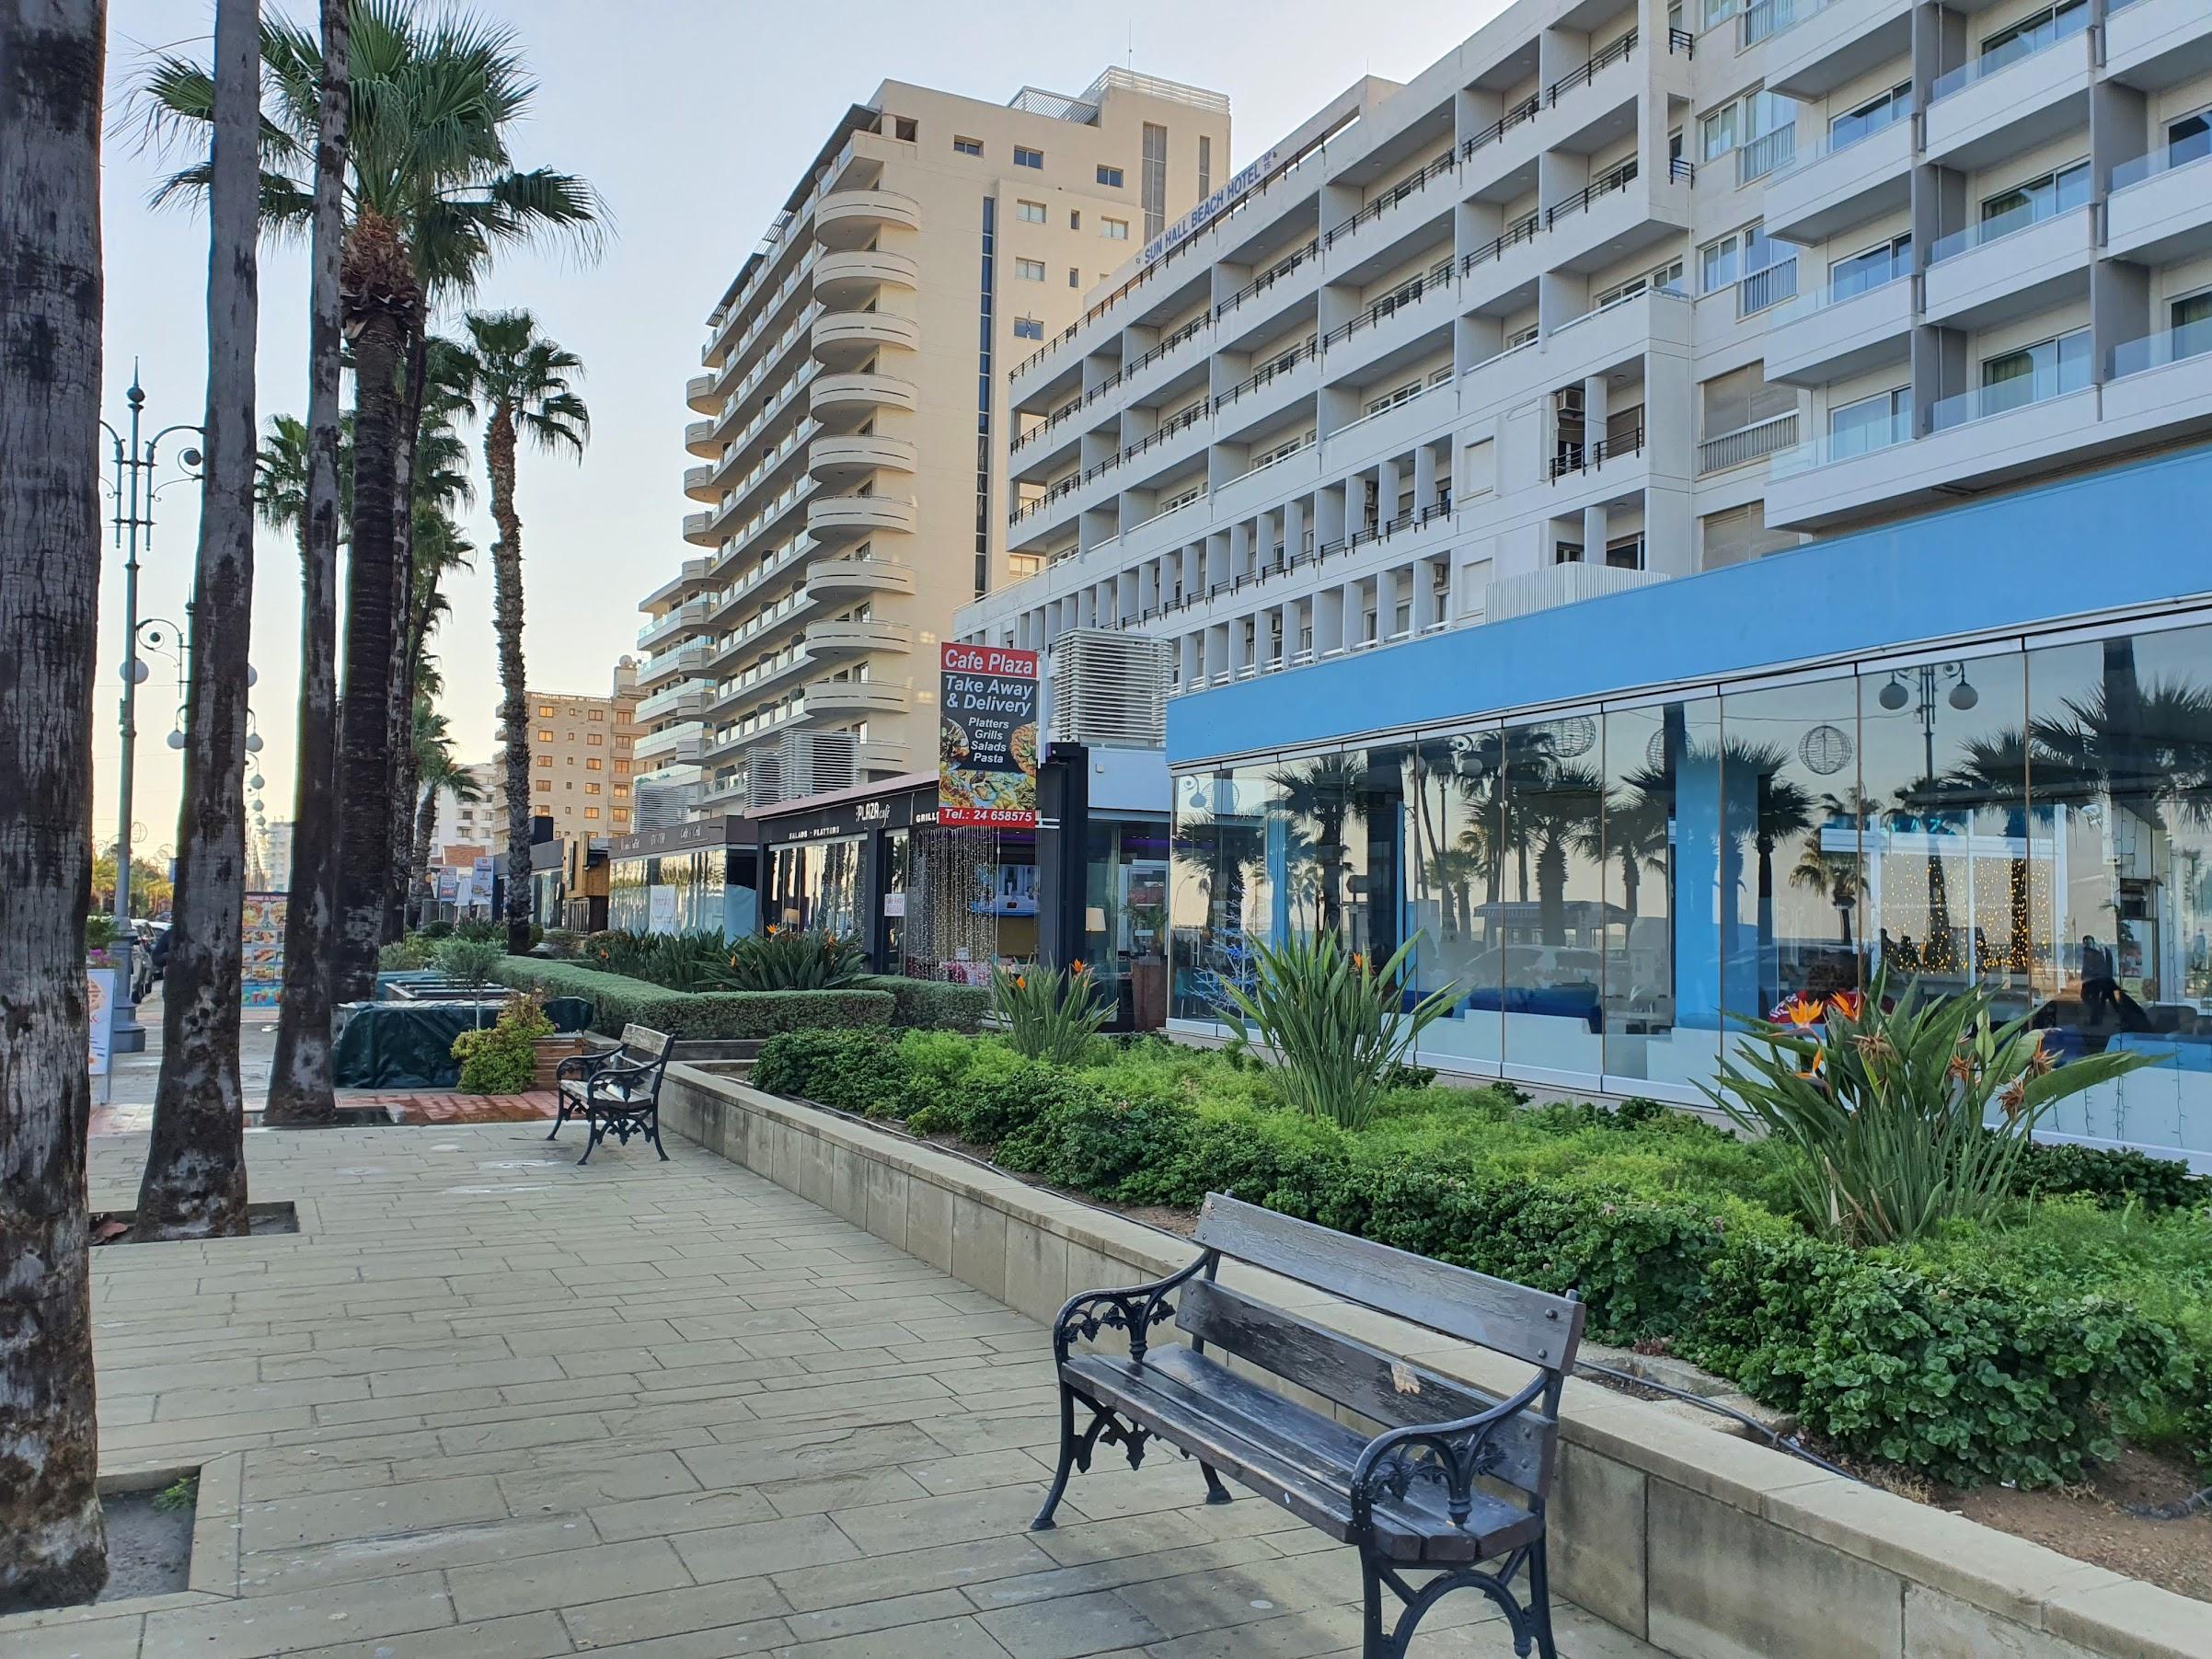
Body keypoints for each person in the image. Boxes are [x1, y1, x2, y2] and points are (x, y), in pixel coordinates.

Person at [2080, 934, 2118, 1023]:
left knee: (2095, 998)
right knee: (2089, 997)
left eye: (2088, 942)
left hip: (2097, 981)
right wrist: (2084, 975)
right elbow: (2085, 967)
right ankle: (2097, 1015)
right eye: (2085, 942)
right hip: (2090, 981)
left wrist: (2094, 975)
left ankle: (2095, 1019)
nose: (2086, 944)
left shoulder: (2098, 955)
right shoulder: (2086, 955)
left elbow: (2102, 969)